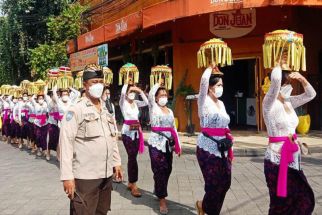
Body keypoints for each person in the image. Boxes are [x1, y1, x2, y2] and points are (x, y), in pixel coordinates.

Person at [59, 64, 123, 215]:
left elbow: (111, 138)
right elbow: (65, 143)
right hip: (85, 177)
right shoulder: (76, 110)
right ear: (85, 85)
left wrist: (117, 162)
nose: (98, 85)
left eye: (101, 81)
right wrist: (67, 176)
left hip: (105, 175)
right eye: (94, 82)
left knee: (101, 212)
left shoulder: (105, 110)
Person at [263, 62, 316, 214]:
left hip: (294, 156)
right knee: (280, 204)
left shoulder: (289, 102)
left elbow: (311, 95)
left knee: (302, 198)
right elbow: (276, 81)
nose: (289, 86)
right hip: (276, 158)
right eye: (286, 83)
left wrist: (302, 79)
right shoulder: (268, 103)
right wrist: (278, 64)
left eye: (290, 83)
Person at [195, 64, 234, 215]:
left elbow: (226, 126)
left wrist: (231, 148)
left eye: (222, 85)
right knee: (213, 184)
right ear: (210, 87)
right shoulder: (203, 100)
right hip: (207, 148)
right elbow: (203, 81)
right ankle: (211, 211)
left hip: (223, 147)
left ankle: (203, 205)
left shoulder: (222, 104)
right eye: (218, 85)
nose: (221, 88)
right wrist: (209, 68)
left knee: (225, 182)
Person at [148, 82, 181, 214]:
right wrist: (158, 84)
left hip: (168, 144)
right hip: (156, 143)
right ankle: (162, 200)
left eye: (165, 94)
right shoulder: (153, 107)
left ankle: (158, 187)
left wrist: (178, 145)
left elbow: (174, 128)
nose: (163, 97)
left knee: (167, 169)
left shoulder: (170, 111)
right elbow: (150, 94)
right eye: (161, 95)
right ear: (156, 98)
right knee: (159, 170)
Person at [119, 83, 149, 197]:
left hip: (137, 132)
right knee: (132, 157)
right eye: (130, 92)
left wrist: (140, 91)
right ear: (126, 93)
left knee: (133, 157)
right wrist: (128, 84)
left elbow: (146, 102)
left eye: (133, 92)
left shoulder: (136, 103)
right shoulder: (123, 103)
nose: (132, 94)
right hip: (127, 133)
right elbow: (122, 93)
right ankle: (134, 183)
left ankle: (131, 182)